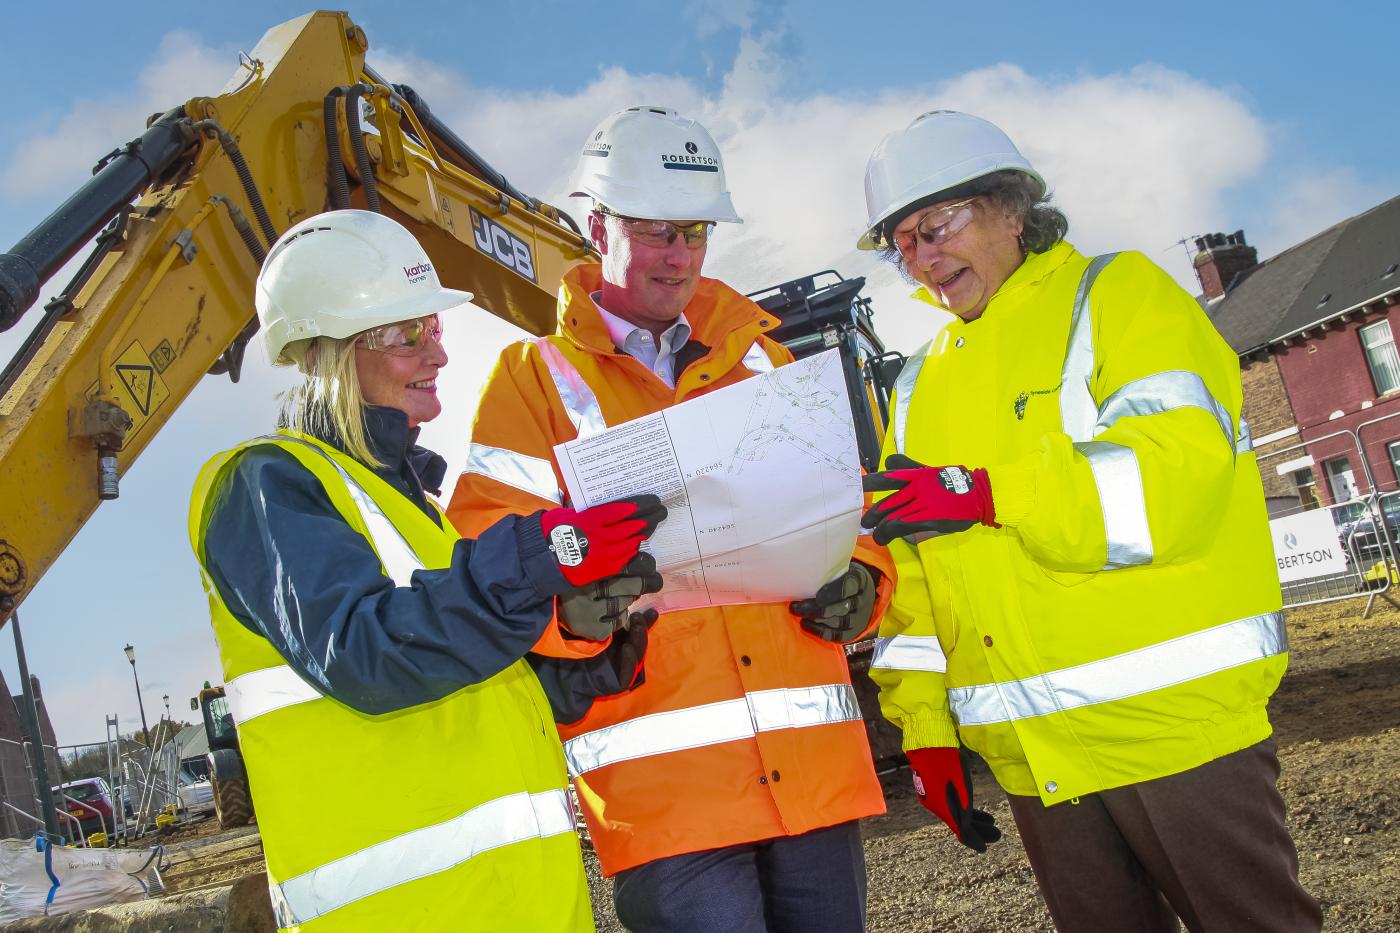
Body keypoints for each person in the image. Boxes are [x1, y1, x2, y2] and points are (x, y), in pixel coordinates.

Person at [856, 110, 1322, 932]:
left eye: (938, 226)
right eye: (903, 244)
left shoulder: (1121, 296)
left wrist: (995, 492)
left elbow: (1175, 479)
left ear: (1011, 207)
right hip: (1037, 761)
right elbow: (916, 582)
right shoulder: (918, 382)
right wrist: (925, 728)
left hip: (1175, 734)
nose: (924, 257)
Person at [447, 107, 895, 933]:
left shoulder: (765, 358)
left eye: (694, 230)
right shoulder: (533, 383)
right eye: (655, 230)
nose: (679, 254)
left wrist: (865, 578)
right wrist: (565, 614)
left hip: (810, 770)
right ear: (596, 226)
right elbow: (489, 555)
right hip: (665, 792)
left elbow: (842, 508)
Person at [187, 209, 665, 931]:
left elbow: (456, 690)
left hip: (524, 908)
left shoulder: (410, 506)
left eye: (434, 331)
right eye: (409, 334)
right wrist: (537, 558)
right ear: (326, 350)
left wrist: (577, 672)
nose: (437, 355)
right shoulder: (263, 486)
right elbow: (366, 652)